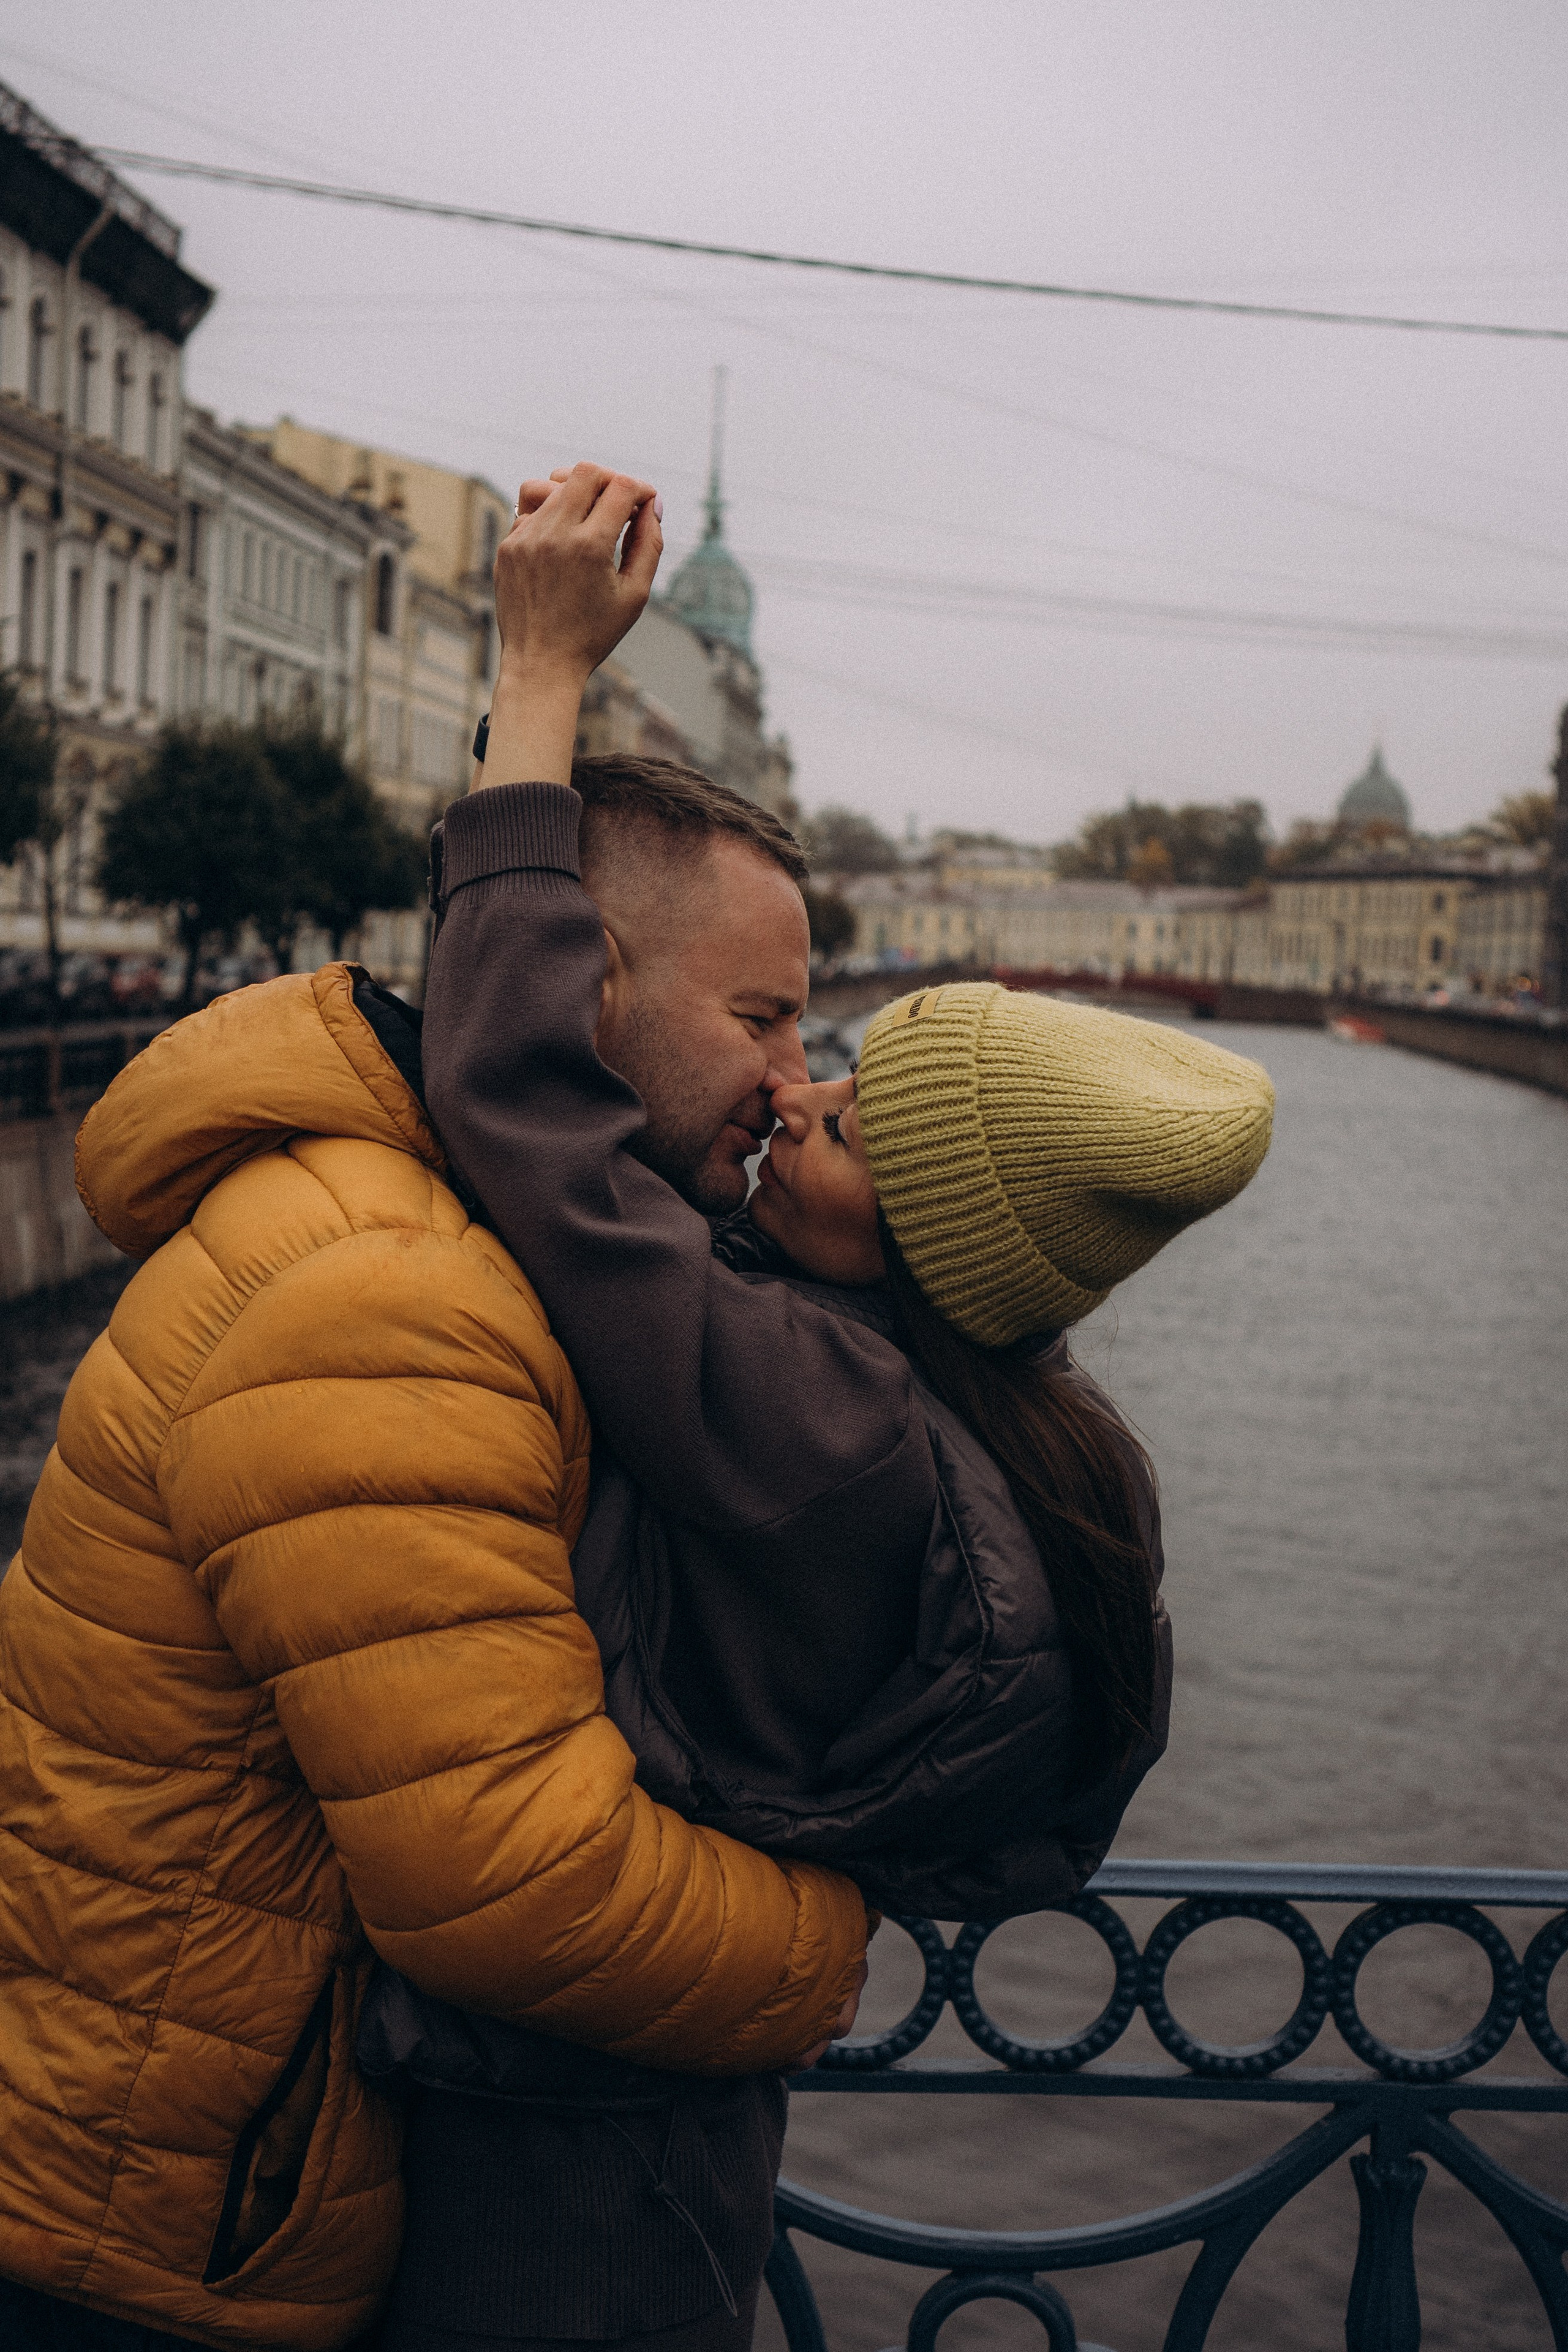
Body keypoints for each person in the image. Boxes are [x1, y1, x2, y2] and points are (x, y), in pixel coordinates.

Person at [366, 462, 1275, 2351]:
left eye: (843, 1110)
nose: (791, 1096)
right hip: (659, 2093)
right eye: (786, 1045)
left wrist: (536, 691)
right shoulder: (946, 1407)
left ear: (933, 1230)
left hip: (566, 2145)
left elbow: (532, 1117)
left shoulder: (820, 1420)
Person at [0, 859, 868, 2339]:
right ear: (581, 988)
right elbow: (511, 1883)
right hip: (153, 2230)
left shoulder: (439, 1234)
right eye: (761, 1019)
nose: (795, 1082)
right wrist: (829, 1944)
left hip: (181, 2158)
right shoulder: (392, 1290)